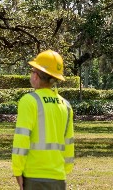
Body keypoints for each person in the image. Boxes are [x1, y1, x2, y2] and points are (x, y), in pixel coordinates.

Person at [12, 50, 75, 190]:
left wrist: (17, 170)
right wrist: (65, 169)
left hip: (34, 176)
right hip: (59, 176)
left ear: (36, 76)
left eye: (32, 70)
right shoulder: (66, 105)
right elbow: (69, 142)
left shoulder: (29, 101)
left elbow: (22, 139)